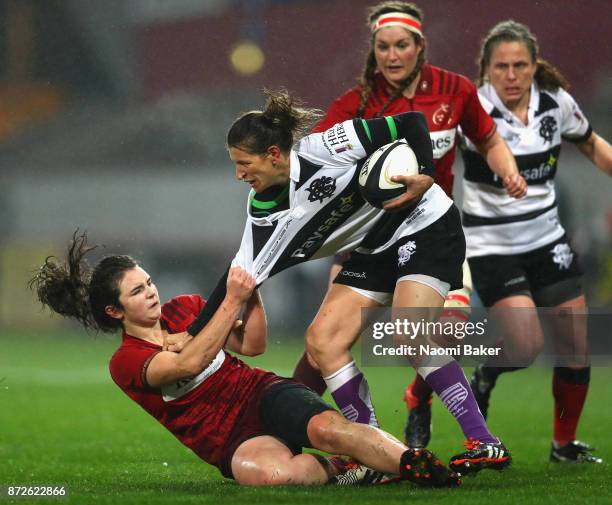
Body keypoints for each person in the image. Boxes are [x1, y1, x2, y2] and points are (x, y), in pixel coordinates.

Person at [186, 89, 511, 475]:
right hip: (375, 248)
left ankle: (485, 442)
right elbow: (234, 278)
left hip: (425, 224)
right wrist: (192, 333)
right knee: (322, 341)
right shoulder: (263, 214)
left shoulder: (324, 147)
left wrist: (424, 174)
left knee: (409, 332)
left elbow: (411, 123)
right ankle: (374, 454)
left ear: (274, 154)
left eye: (243, 163)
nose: (238, 174)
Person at [29, 231, 461, 487]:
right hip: (230, 440)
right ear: (114, 312)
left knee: (330, 428)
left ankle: (414, 464)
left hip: (262, 394)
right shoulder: (126, 361)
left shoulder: (186, 307)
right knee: (278, 477)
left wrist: (250, 293)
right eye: (138, 291)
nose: (152, 292)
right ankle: (351, 468)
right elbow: (187, 364)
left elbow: (252, 345)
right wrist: (230, 300)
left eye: (149, 282)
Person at [292, 0, 527, 450]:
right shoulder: (355, 104)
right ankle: (298, 424)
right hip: (368, 237)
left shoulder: (454, 90)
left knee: (436, 331)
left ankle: (434, 412)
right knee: (324, 340)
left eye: (402, 45)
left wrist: (509, 170)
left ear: (420, 46)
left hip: (429, 231)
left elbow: (488, 138)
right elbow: (317, 160)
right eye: (383, 46)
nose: (392, 55)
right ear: (374, 49)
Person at [461, 20, 612, 464]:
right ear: (485, 69)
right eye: (501, 66)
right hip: (490, 244)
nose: (511, 75)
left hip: (548, 239)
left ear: (534, 65)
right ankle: (486, 377)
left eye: (520, 65)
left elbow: (590, 144)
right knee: (525, 346)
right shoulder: (472, 108)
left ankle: (563, 445)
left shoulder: (555, 103)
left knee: (574, 345)